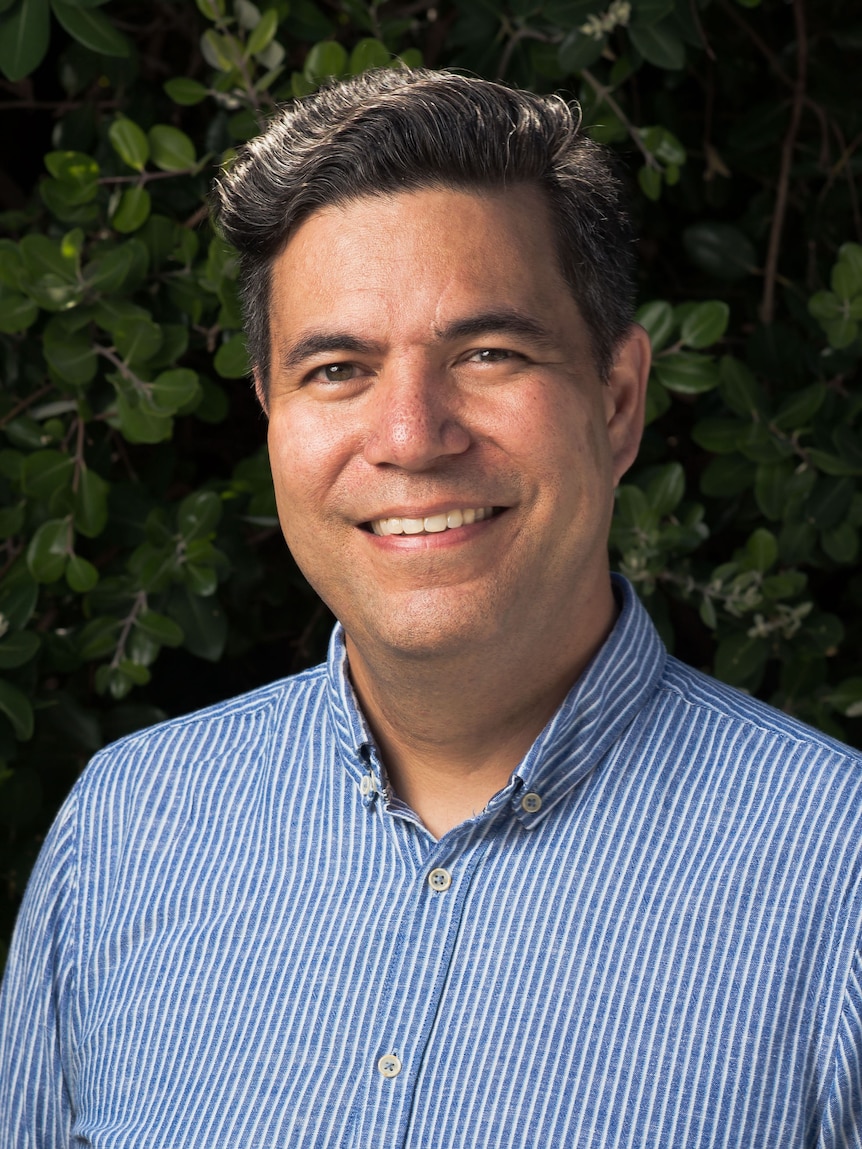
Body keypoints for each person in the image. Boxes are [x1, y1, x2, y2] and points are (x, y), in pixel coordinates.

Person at [2, 68, 861, 1148]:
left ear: (618, 401)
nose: (411, 434)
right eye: (337, 369)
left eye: (487, 354)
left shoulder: (841, 880)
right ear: (270, 417)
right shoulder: (124, 834)